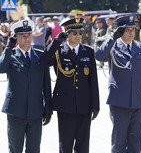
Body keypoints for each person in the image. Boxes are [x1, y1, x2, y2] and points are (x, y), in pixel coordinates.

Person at [95, 15, 141, 153]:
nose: (131, 32)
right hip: (119, 103)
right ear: (120, 31)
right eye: (127, 30)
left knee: (135, 144)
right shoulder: (113, 46)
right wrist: (112, 38)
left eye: (132, 29)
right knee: (119, 144)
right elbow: (99, 56)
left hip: (138, 102)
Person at [39, 16, 100, 153]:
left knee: (83, 146)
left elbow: (93, 81)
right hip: (65, 105)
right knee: (65, 145)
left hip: (84, 105)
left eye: (80, 33)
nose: (78, 36)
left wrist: (95, 105)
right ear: (67, 34)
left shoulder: (88, 52)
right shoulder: (58, 50)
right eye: (74, 33)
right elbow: (43, 62)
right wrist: (55, 42)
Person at [0, 19, 52, 153]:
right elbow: (1, 68)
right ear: (16, 37)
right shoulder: (10, 55)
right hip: (15, 111)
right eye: (22, 35)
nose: (26, 38)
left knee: (34, 149)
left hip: (35, 111)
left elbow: (46, 85)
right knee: (15, 149)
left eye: (28, 34)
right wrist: (8, 48)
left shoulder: (40, 56)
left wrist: (48, 108)